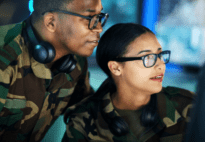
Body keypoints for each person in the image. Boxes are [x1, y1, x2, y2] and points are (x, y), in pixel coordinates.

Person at [0, 0, 108, 141]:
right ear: (51, 22)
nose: (99, 28)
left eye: (100, 17)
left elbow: (89, 110)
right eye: (89, 18)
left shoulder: (74, 63)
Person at [63, 23, 194, 142]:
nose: (160, 65)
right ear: (116, 68)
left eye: (160, 55)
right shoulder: (83, 119)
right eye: (148, 58)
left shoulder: (189, 106)